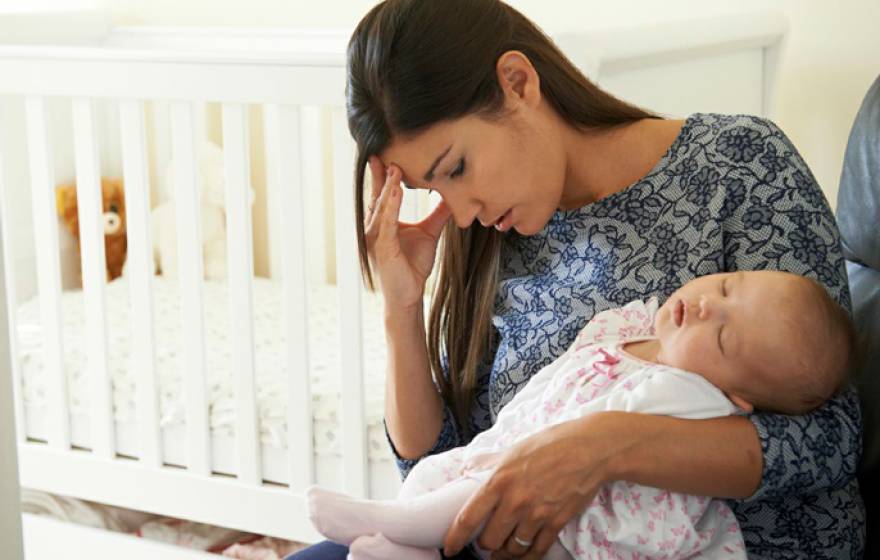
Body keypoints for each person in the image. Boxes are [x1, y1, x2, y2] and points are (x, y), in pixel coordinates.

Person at [288, 1, 865, 558]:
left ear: (517, 82)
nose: (459, 212)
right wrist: (401, 306)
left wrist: (605, 447)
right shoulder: (492, 236)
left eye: (457, 168)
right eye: (435, 189)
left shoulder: (738, 164)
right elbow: (438, 475)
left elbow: (830, 440)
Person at [304, 270, 855, 560]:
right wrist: (402, 309)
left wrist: (577, 444)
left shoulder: (695, 395)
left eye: (726, 335)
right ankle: (408, 538)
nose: (710, 305)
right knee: (430, 476)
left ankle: (398, 526)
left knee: (468, 490)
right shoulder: (638, 327)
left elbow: (836, 438)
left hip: (580, 525)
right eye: (728, 286)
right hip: (509, 455)